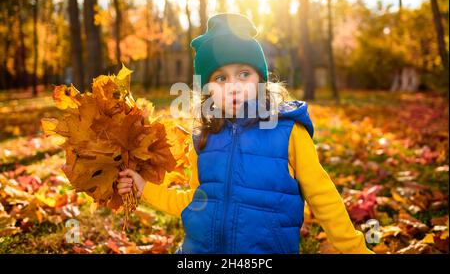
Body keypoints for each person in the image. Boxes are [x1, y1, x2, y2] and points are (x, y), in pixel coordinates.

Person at [117, 13, 374, 254]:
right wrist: (144, 187)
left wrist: (356, 249)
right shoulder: (205, 138)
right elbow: (195, 202)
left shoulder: (288, 132)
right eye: (220, 78)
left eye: (244, 74)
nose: (234, 87)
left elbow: (323, 197)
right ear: (207, 89)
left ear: (260, 79)